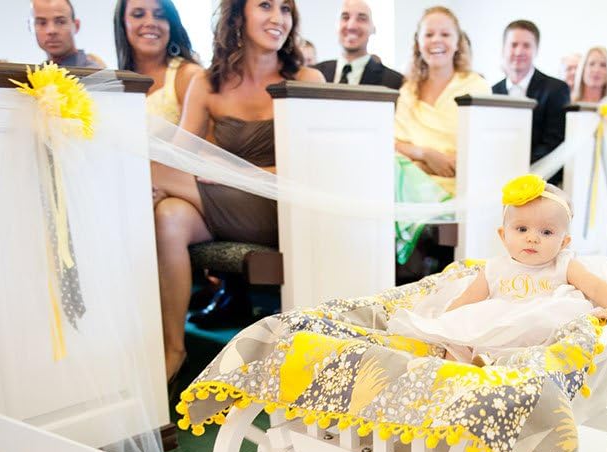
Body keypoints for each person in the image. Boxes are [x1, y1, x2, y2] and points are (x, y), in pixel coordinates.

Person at [149, 0, 324, 380]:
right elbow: (180, 157)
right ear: (237, 16)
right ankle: (174, 349)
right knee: (168, 218)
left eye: (285, 9)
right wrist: (202, 178)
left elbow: (313, 169)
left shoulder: (307, 80)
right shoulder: (208, 82)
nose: (278, 18)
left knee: (153, 175)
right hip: (221, 204)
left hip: (279, 208)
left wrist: (235, 173)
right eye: (265, 6)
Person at [388, 174, 607, 364]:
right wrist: (444, 323)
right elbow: (467, 300)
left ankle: (496, 363)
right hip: (498, 323)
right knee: (468, 326)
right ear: (503, 235)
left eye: (546, 232)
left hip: (538, 330)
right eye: (522, 229)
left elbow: (595, 287)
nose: (532, 238)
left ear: (563, 242)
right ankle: (458, 370)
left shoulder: (564, 265)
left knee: (542, 321)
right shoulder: (495, 268)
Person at [394, 6, 488, 196]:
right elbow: (395, 144)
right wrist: (426, 155)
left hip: (462, 195)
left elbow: (482, 150)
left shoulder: (477, 86)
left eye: (445, 34)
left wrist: (425, 166)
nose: (436, 40)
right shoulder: (408, 91)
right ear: (418, 42)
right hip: (409, 191)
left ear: (457, 43)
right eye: (428, 34)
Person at [491, 20, 569, 170]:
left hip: (540, 177)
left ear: (536, 50)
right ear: (503, 49)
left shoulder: (556, 89)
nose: (519, 52)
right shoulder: (491, 91)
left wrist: (518, 167)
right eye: (513, 45)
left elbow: (554, 142)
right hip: (495, 173)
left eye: (526, 45)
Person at [114, 0, 204, 125]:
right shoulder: (114, 83)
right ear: (122, 23)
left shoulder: (190, 76)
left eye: (160, 15)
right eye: (138, 14)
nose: (151, 22)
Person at [313, 0, 402, 89]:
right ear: (336, 25)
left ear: (374, 28)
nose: (351, 26)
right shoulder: (312, 75)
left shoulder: (395, 82)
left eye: (362, 19)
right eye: (345, 17)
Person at [32, 0, 105, 68]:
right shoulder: (33, 75)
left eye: (60, 22)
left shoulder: (95, 75)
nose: (51, 30)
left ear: (76, 26)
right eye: (42, 23)